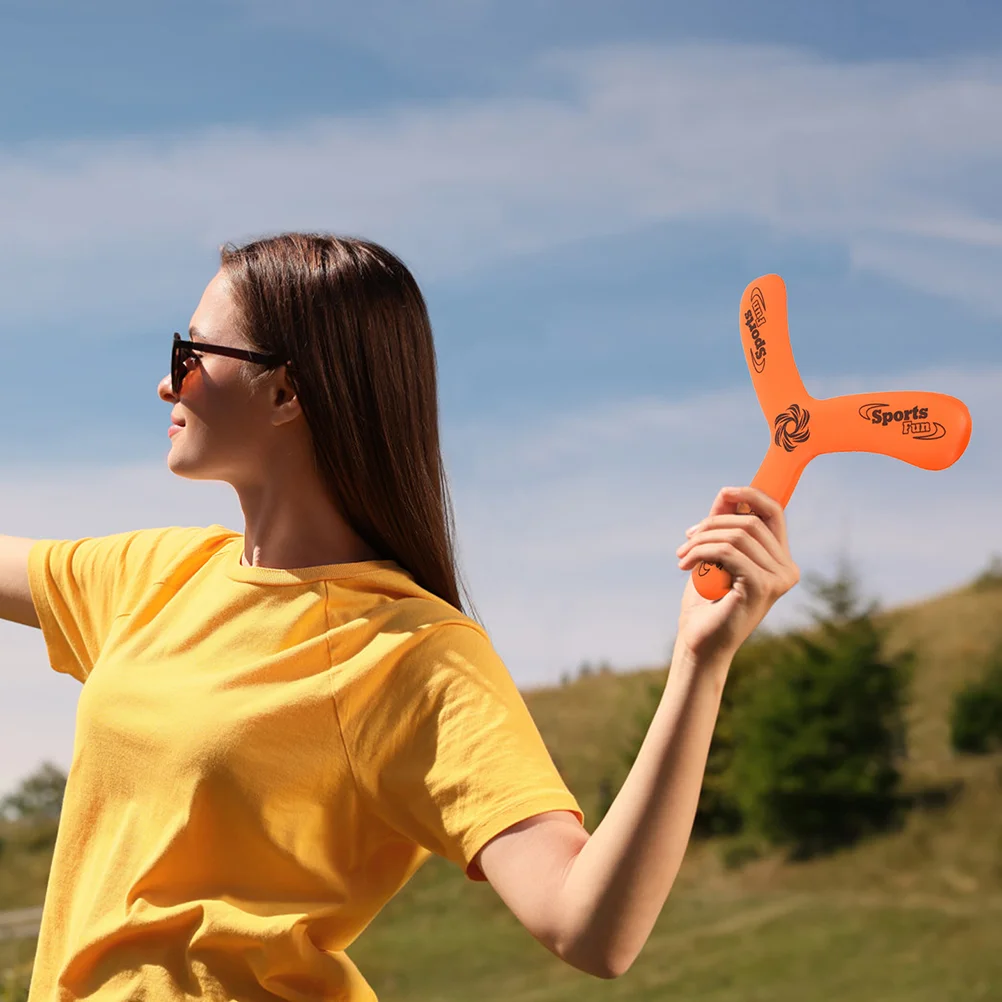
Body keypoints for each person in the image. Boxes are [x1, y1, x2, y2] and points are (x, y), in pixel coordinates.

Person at [1, 233, 799, 1001]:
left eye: (193, 355)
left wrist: (701, 664)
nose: (167, 384)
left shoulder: (412, 653)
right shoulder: (155, 575)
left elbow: (590, 928)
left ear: (285, 391)